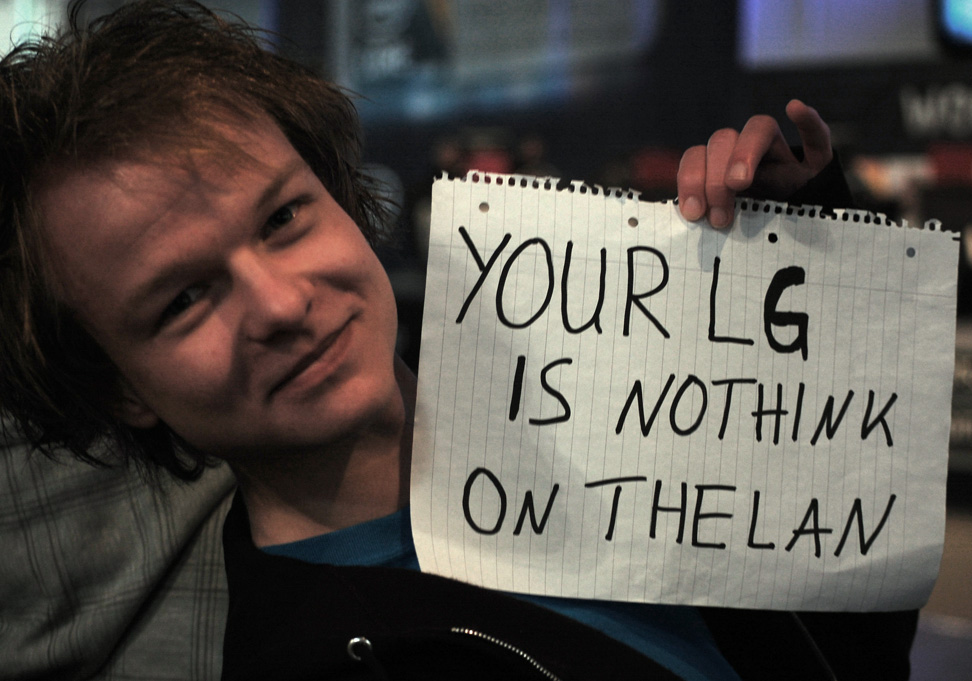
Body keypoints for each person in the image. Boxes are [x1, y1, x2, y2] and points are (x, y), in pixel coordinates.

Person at [0, 1, 917, 679]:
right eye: (184, 298)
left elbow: (852, 634)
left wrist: (809, 261)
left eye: (282, 218)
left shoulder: (600, 414)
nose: (279, 303)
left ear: (343, 201)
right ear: (117, 385)